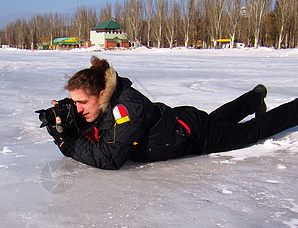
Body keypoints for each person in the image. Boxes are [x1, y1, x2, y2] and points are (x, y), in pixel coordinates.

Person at [45, 56, 298, 170]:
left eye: (80, 103)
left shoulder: (127, 108)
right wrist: (68, 124)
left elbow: (111, 158)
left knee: (251, 132)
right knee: (217, 120)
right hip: (183, 122)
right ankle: (254, 97)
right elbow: (100, 133)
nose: (77, 110)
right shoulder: (104, 103)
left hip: (195, 136)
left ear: (101, 93)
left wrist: (67, 141)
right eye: (72, 102)